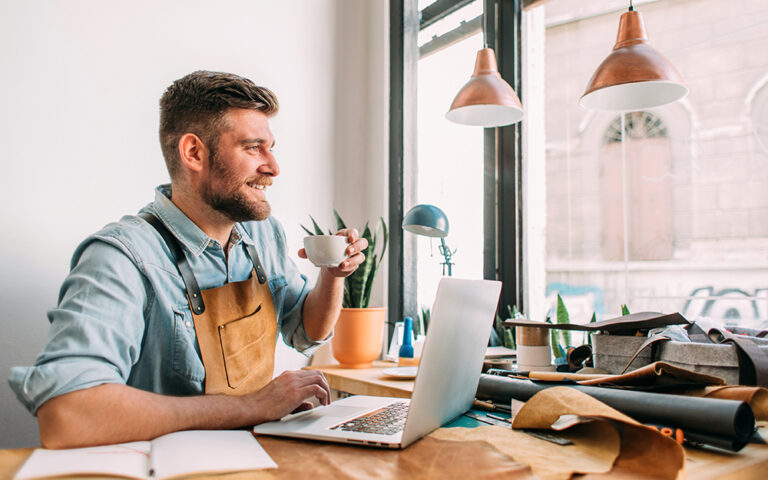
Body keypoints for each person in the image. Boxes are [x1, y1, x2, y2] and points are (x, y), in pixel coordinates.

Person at [9, 71, 368, 449]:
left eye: (271, 147)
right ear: (194, 153)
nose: (273, 167)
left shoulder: (263, 233)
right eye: (252, 147)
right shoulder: (122, 257)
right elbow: (67, 415)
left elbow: (306, 331)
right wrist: (251, 407)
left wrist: (333, 275)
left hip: (254, 459)